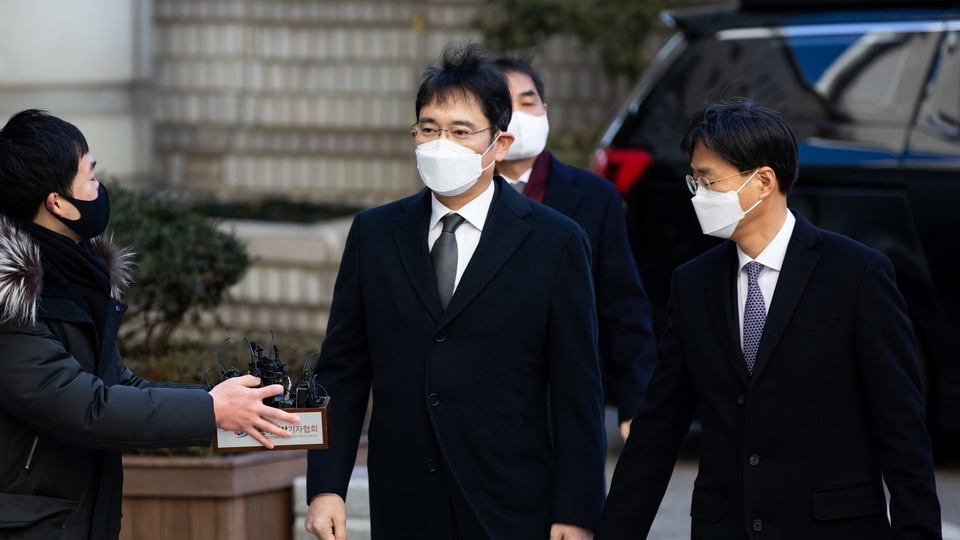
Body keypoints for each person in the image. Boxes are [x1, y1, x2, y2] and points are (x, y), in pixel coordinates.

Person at [597, 99, 942, 538]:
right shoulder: (693, 284)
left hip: (830, 527)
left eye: (709, 180)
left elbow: (901, 430)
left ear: (763, 181)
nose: (698, 195)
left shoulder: (856, 274)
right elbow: (657, 431)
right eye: (694, 180)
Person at [304, 43, 606, 540]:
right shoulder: (376, 233)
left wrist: (575, 511)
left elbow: (578, 389)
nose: (441, 143)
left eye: (461, 131)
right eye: (429, 129)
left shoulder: (556, 242)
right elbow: (342, 371)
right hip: (405, 501)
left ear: (500, 144)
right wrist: (326, 487)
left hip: (511, 501)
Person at [0, 109, 300, 540]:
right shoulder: (11, 302)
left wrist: (223, 403)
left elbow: (119, 385)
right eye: (89, 176)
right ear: (57, 203)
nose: (99, 188)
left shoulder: (73, 280)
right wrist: (211, 411)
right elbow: (86, 407)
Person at [494, 57, 658, 441]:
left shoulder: (595, 196)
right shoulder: (459, 196)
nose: (519, 115)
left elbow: (624, 306)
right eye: (504, 104)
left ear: (545, 110)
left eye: (528, 102)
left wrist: (636, 404)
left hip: (568, 402)